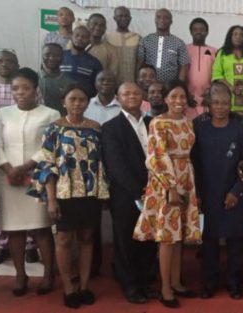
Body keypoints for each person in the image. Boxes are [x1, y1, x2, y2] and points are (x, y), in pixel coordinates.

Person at [28, 83, 108, 308]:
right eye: (72, 99)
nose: (77, 103)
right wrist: (51, 199)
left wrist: (103, 193)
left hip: (90, 193)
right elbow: (47, 164)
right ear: (63, 102)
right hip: (63, 194)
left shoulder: (95, 128)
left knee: (86, 238)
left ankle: (84, 286)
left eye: (81, 99)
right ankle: (68, 288)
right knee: (63, 239)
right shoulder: (54, 129)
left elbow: (101, 164)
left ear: (87, 103)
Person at [133, 80, 201, 308]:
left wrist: (186, 184)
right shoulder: (158, 123)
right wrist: (171, 187)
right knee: (167, 237)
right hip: (166, 182)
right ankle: (165, 289)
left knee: (178, 234)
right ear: (165, 99)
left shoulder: (188, 122)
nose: (178, 101)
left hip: (186, 178)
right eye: (173, 97)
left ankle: (176, 282)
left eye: (182, 97)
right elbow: (156, 156)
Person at [0, 68, 60, 298]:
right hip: (7, 179)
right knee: (14, 229)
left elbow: (49, 147)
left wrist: (26, 167)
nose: (20, 92)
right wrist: (9, 168)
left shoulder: (50, 114)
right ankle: (20, 275)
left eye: (25, 88)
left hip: (38, 177)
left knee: (41, 227)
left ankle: (47, 275)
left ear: (35, 89)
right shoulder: (2, 114)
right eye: (15, 88)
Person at [0, 51, 42, 267]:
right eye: (0, 61)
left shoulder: (34, 92)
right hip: (0, 160)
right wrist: (3, 165)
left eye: (10, 61)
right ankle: (3, 246)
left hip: (29, 161)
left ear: (17, 64)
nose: (5, 64)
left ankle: (31, 247)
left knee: (34, 206)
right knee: (3, 209)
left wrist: (25, 166)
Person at [191, 83, 243, 300]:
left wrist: (236, 191)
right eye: (215, 102)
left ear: (231, 104)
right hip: (207, 195)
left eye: (225, 103)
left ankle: (235, 283)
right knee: (209, 242)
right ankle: (209, 283)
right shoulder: (198, 129)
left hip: (234, 195)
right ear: (208, 104)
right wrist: (197, 193)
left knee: (236, 242)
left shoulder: (240, 130)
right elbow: (194, 164)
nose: (220, 107)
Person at [102, 82, 158, 304]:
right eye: (126, 93)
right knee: (126, 239)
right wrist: (139, 191)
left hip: (156, 191)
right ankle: (130, 285)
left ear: (142, 95)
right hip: (126, 194)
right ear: (118, 97)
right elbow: (116, 165)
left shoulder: (153, 122)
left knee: (149, 238)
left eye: (136, 92)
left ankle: (145, 281)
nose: (132, 96)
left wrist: (155, 188)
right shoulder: (111, 127)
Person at [138, 9, 190, 83]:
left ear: (171, 22)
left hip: (169, 87)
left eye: (166, 18)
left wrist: (179, 85)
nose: (162, 20)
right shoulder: (146, 40)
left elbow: (183, 66)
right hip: (149, 85)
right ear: (155, 20)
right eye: (159, 17)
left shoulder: (178, 42)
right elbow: (140, 62)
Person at [61, 26, 103, 98]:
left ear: (89, 41)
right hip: (60, 100)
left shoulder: (95, 63)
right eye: (77, 35)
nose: (80, 38)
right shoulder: (60, 56)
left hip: (84, 103)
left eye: (84, 37)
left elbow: (98, 87)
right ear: (71, 37)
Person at [187, 17, 217, 114]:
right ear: (191, 32)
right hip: (188, 98)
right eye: (195, 30)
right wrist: (186, 94)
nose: (199, 32)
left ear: (207, 32)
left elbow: (217, 75)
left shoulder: (214, 51)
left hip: (207, 99)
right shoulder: (184, 49)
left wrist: (210, 95)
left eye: (202, 30)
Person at [106, 6, 141, 85]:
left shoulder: (137, 37)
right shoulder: (107, 37)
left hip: (131, 83)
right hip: (111, 84)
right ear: (114, 18)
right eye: (120, 16)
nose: (124, 18)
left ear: (130, 18)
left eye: (126, 16)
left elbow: (139, 62)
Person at [39, 43, 74, 115]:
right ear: (42, 56)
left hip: (60, 122)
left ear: (62, 57)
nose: (51, 58)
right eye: (47, 54)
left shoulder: (70, 84)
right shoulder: (32, 79)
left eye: (56, 55)